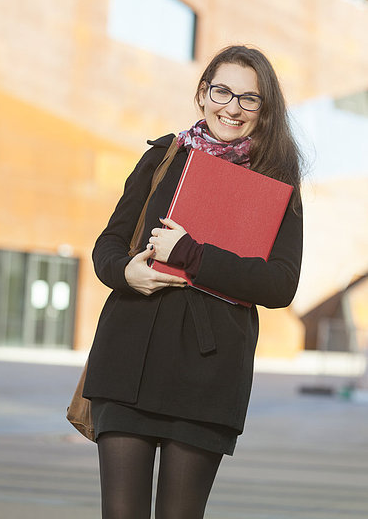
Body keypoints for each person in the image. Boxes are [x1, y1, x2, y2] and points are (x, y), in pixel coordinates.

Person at [82, 44, 304, 518]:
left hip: (207, 373)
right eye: (223, 91)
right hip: (128, 358)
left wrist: (192, 255)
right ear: (203, 94)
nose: (233, 107)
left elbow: (280, 285)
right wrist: (126, 272)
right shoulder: (164, 156)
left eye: (250, 99)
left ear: (265, 112)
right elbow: (108, 244)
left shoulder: (277, 182)